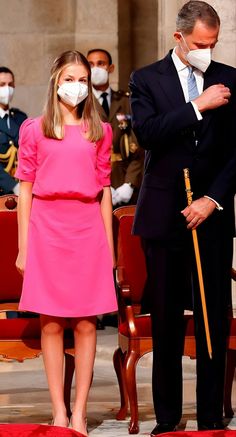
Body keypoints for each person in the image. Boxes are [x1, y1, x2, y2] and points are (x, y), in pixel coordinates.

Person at [129, 1, 236, 435]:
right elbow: (148, 133)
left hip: (209, 212)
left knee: (213, 315)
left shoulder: (230, 77)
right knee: (169, 319)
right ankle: (168, 418)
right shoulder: (146, 79)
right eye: (198, 44)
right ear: (179, 38)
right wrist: (198, 105)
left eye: (212, 44)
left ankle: (211, 415)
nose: (206, 52)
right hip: (163, 213)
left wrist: (212, 199)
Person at [15, 50, 117, 436]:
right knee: (52, 323)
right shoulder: (34, 128)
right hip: (46, 228)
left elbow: (105, 191)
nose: (76, 85)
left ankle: (79, 411)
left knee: (87, 323)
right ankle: (58, 410)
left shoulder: (100, 130)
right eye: (69, 77)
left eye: (82, 79)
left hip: (87, 228)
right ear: (56, 81)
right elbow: (24, 191)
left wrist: (109, 248)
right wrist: (24, 246)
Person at [87, 48, 144, 207]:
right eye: (91, 64)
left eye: (101, 63)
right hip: (92, 182)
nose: (96, 68)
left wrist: (130, 183)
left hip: (124, 178)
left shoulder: (127, 101)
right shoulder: (82, 104)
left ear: (110, 68)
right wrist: (100, 183)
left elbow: (140, 146)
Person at [0, 66, 27, 194]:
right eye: (2, 84)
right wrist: (12, 185)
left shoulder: (20, 118)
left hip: (21, 190)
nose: (7, 89)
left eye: (10, 84)